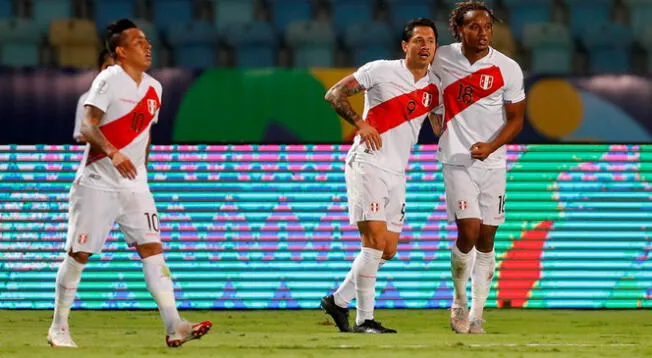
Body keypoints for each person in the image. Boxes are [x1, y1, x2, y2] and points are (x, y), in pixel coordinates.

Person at [47, 19, 212, 348]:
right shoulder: (108, 79)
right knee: (79, 253)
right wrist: (114, 153)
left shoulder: (155, 88)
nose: (147, 46)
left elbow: (146, 135)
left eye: (147, 41)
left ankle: (174, 323)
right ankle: (58, 327)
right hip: (97, 183)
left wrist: (142, 169)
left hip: (135, 186)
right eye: (138, 42)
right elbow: (89, 125)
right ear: (120, 51)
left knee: (153, 250)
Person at [320, 18, 440, 334]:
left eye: (430, 40)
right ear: (405, 46)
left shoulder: (435, 87)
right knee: (372, 242)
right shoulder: (381, 70)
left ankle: (338, 301)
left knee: (387, 249)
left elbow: (441, 125)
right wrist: (361, 124)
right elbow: (334, 94)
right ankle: (364, 320)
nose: (425, 45)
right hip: (368, 163)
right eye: (418, 40)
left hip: (397, 172)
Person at [431, 1, 526, 334]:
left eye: (487, 27)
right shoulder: (440, 57)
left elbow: (517, 120)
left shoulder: (508, 68)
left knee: (486, 239)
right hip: (456, 160)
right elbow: (423, 88)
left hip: (493, 163)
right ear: (459, 29)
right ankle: (458, 302)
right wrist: (433, 115)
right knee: (468, 231)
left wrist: (491, 146)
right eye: (475, 27)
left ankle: (477, 314)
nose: (483, 33)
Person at [73, 49, 115, 143]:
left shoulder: (131, 99)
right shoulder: (86, 99)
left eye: (116, 69)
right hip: (97, 156)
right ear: (100, 69)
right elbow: (81, 136)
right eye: (108, 67)